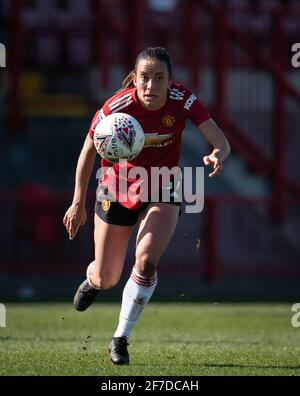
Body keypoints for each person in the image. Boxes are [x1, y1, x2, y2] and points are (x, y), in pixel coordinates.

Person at [63, 47, 230, 365]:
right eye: (144, 77)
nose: (151, 85)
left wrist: (218, 153)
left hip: (164, 186)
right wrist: (77, 204)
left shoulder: (184, 100)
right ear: (134, 79)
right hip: (116, 190)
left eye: (159, 78)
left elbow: (221, 141)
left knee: (146, 261)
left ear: (170, 81)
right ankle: (93, 278)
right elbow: (87, 153)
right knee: (108, 277)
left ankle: (120, 338)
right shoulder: (116, 107)